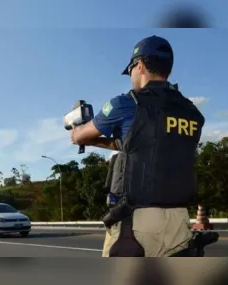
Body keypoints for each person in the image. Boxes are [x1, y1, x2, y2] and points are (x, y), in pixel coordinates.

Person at [70, 35, 205, 257]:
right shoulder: (192, 113)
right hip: (179, 219)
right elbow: (146, 144)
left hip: (135, 221)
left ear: (139, 66)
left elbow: (81, 135)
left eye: (131, 69)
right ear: (168, 71)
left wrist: (76, 132)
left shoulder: (126, 103)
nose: (131, 75)